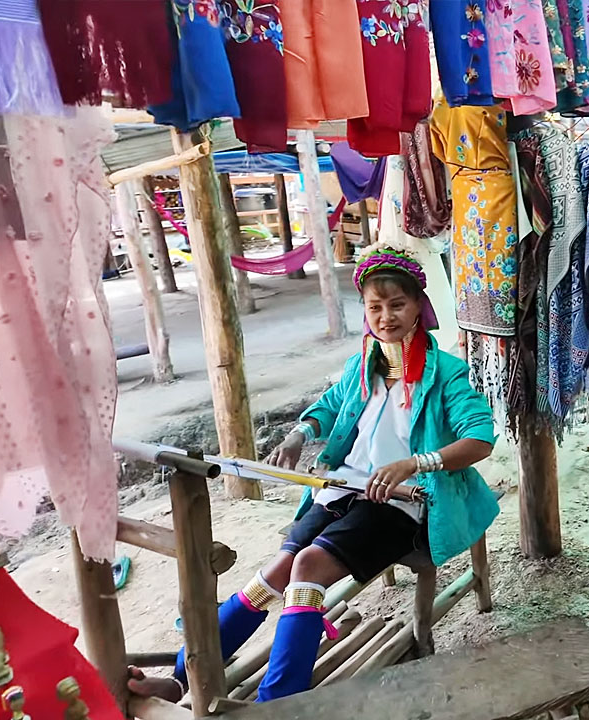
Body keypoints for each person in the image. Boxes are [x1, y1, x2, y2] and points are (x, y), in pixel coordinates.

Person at [128, 243, 499, 702]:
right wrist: (301, 433)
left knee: (306, 566)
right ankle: (185, 675)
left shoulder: (446, 373)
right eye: (375, 307)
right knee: (276, 572)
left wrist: (414, 462)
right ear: (364, 310)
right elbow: (326, 408)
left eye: (398, 304)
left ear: (419, 306)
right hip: (343, 488)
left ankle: (278, 700)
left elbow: (481, 438)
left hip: (406, 500)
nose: (386, 317)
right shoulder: (364, 364)